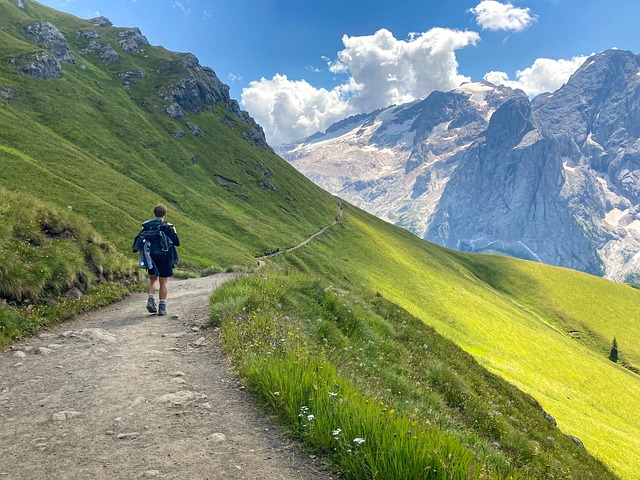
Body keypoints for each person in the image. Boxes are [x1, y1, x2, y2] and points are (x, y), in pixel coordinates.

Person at [132, 204, 180, 316]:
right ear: (164, 213)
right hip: (165, 256)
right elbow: (177, 242)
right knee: (163, 281)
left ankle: (150, 300)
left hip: (150, 257)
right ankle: (162, 308)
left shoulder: (146, 227)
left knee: (153, 279)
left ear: (155, 213)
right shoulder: (168, 226)